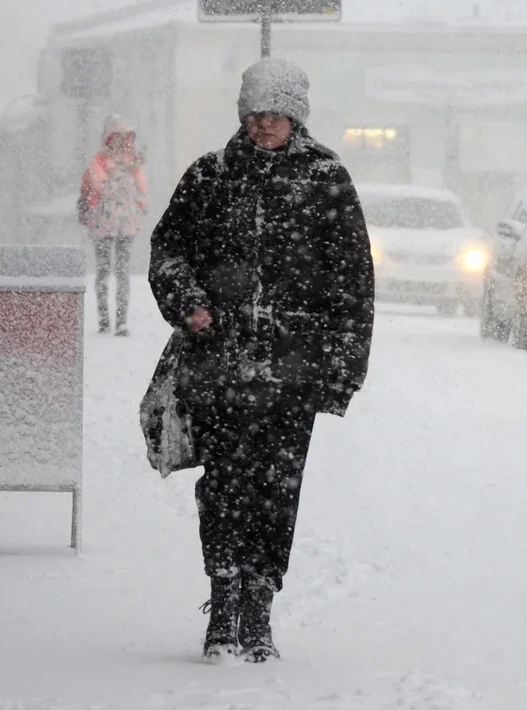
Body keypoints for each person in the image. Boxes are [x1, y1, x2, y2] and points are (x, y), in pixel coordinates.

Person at [147, 58, 375, 663]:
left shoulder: (327, 180)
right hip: (216, 368)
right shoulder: (210, 177)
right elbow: (168, 250)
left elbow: (353, 283)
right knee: (222, 486)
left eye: (276, 111)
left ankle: (259, 607)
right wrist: (188, 303)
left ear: (297, 114)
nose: (265, 123)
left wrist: (343, 371)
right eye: (255, 112)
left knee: (276, 491)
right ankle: (222, 603)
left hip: (292, 374)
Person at [79, 115, 148, 335]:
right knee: (103, 271)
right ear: (109, 139)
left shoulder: (132, 163)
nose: (122, 143)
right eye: (117, 138)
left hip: (126, 224)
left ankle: (121, 321)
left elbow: (142, 190)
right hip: (102, 224)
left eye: (125, 138)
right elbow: (102, 187)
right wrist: (128, 173)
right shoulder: (98, 162)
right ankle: (103, 319)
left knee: (122, 272)